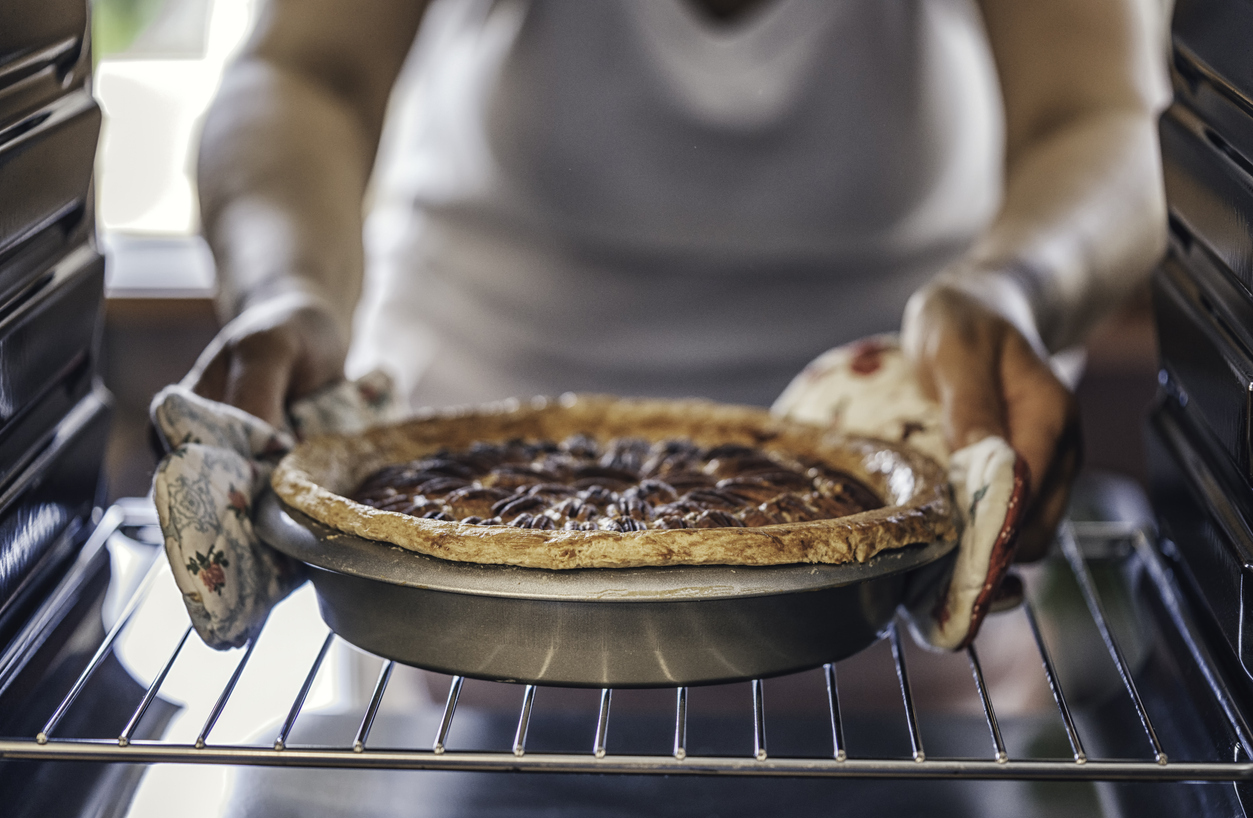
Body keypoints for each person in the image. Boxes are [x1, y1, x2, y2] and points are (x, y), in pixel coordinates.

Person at [186, 0, 1168, 563]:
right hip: (451, 543)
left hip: (896, 544)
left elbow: (1098, 119)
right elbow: (303, 75)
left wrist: (1011, 287)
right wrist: (290, 288)